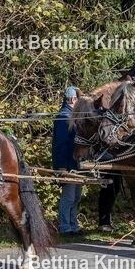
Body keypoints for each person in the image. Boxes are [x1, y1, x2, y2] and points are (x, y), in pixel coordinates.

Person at [52, 86, 82, 236]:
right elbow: (61, 144)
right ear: (72, 99)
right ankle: (65, 227)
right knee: (68, 197)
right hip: (67, 163)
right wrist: (62, 166)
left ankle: (73, 225)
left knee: (76, 197)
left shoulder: (72, 116)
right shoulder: (64, 117)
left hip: (75, 162)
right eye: (77, 99)